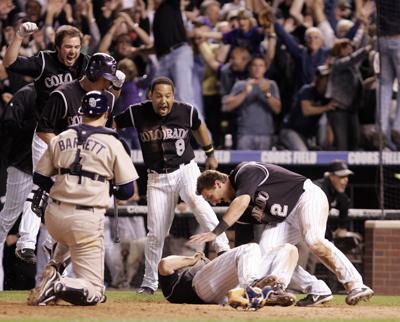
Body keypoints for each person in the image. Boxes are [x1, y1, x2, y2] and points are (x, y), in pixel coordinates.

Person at [191, 162, 374, 306]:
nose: (213, 202)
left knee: (314, 240)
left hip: (306, 197)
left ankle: (356, 285)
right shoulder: (242, 211)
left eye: (209, 196)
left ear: (217, 183)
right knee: (268, 258)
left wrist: (216, 232)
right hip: (283, 220)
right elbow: (246, 247)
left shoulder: (245, 171)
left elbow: (242, 199)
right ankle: (317, 289)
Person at [114, 76, 230, 294]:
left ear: (173, 96)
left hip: (185, 169)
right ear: (150, 96)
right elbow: (112, 123)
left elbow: (199, 125)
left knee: (197, 201)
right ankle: (150, 282)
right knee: (156, 232)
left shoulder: (186, 110)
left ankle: (224, 249)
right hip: (157, 178)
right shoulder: (137, 112)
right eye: (158, 95)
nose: (163, 100)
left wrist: (210, 153)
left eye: (168, 96)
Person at [27, 91, 139, 306]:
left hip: (54, 217)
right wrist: (102, 185)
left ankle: (54, 266)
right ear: (106, 113)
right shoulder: (113, 142)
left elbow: (39, 176)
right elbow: (126, 191)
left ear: (81, 112)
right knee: (96, 292)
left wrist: (61, 189)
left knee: (68, 236)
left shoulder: (61, 137)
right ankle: (57, 284)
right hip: (85, 218)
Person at [3, 22, 90, 263]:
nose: (72, 51)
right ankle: (27, 242)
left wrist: (117, 81)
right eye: (67, 47)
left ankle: (52, 246)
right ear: (57, 47)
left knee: (65, 193)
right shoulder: (44, 61)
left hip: (72, 137)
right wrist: (19, 36)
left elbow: (105, 83)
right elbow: (10, 63)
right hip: (45, 133)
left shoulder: (85, 63)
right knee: (41, 184)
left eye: (76, 46)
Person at [159, 243, 298, 307]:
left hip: (232, 291)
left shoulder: (207, 267)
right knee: (250, 248)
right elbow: (164, 264)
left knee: (289, 249)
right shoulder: (175, 285)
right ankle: (252, 287)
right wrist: (191, 260)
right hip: (200, 290)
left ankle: (275, 290)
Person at [0, 83, 37, 290]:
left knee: (51, 229)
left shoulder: (64, 94)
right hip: (22, 165)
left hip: (48, 168)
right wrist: (35, 126)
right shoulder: (26, 94)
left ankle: (48, 284)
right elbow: (8, 127)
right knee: (5, 221)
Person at [222, 56, 281, 150]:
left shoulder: (271, 85)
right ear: (249, 68)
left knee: (262, 165)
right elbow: (227, 107)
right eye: (254, 65)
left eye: (261, 66)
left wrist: (267, 93)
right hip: (244, 133)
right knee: (245, 164)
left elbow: (277, 109)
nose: (257, 68)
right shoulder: (241, 85)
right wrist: (245, 92)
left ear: (265, 69)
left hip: (265, 134)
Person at [314, 160, 355, 238]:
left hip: (316, 226)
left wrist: (342, 227)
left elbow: (344, 204)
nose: (346, 180)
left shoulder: (338, 193)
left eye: (347, 176)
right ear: (331, 176)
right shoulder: (318, 190)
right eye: (342, 176)